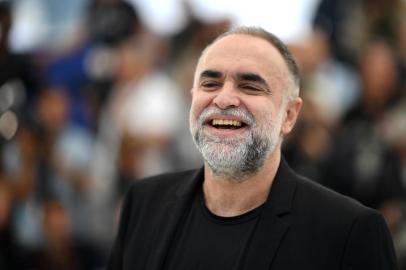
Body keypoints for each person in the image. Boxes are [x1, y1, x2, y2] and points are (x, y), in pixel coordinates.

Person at [107, 26, 397, 270]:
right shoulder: (143, 203)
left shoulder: (348, 231)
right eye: (210, 83)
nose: (223, 99)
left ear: (289, 115)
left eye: (250, 86)